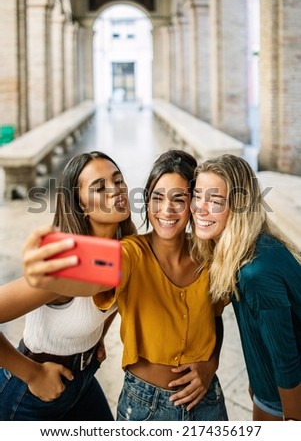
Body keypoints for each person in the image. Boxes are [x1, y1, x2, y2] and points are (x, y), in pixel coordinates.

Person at [23, 149, 229, 421]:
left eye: (179, 199)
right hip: (145, 405)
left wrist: (210, 364)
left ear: (193, 204)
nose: (166, 209)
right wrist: (54, 269)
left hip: (207, 398)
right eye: (157, 198)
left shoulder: (209, 255)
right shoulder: (130, 251)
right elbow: (95, 280)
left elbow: (215, 317)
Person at [0, 151, 136, 420]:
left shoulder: (125, 249)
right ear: (81, 205)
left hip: (83, 379)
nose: (116, 190)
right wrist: (34, 374)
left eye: (118, 180)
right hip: (33, 393)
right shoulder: (65, 263)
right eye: (100, 187)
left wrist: (97, 336)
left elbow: (112, 300)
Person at [190, 153, 301, 421]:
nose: (200, 208)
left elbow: (287, 361)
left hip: (283, 399)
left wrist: (292, 422)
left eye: (215, 201)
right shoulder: (252, 245)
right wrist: (255, 378)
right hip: (266, 387)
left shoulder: (255, 272)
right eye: (197, 195)